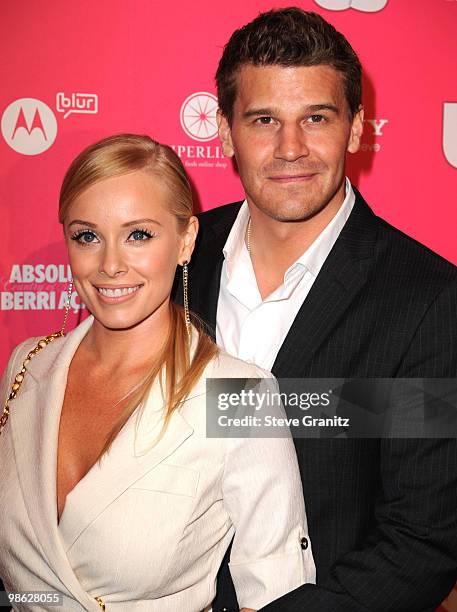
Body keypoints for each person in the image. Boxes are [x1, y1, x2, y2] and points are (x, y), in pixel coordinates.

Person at [182, 8, 457, 612]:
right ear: (225, 131)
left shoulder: (425, 298)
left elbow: (423, 538)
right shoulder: (174, 258)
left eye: (316, 117)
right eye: (263, 120)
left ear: (356, 128)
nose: (291, 149)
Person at [0, 134, 316, 611]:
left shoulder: (237, 394)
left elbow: (273, 591)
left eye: (139, 235)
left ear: (186, 240)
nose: (109, 265)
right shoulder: (26, 367)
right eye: (87, 236)